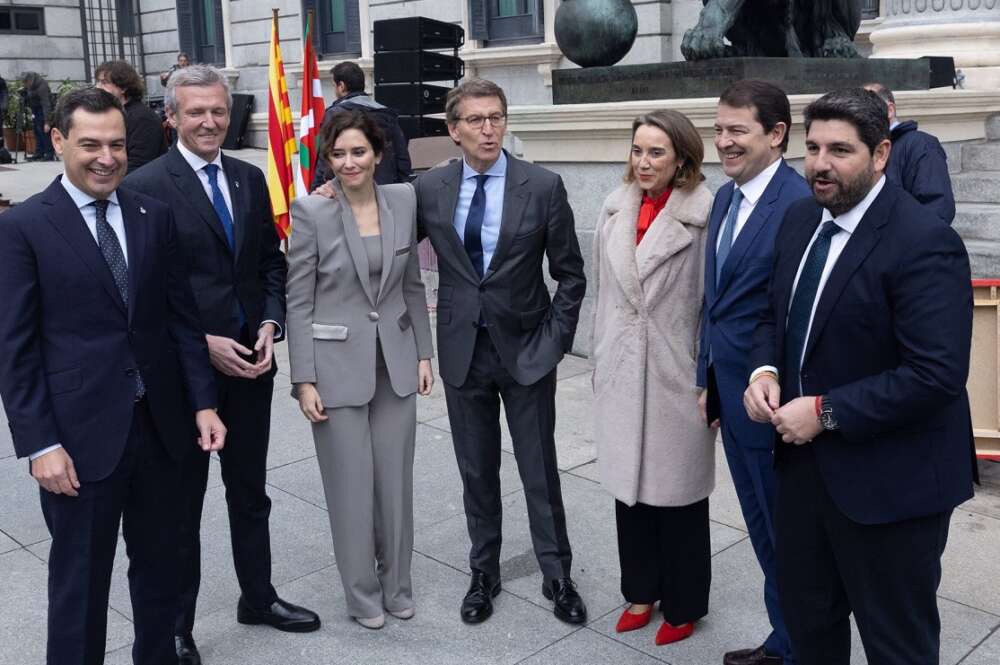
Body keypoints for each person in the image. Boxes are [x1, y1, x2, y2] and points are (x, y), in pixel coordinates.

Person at [744, 87, 978, 665]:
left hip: (892, 489)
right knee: (811, 627)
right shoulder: (801, 219)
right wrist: (764, 369)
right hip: (803, 478)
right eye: (814, 146)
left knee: (897, 645)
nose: (820, 163)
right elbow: (773, 311)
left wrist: (823, 411)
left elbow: (935, 374)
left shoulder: (925, 241)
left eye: (840, 150)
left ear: (880, 155)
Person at [0, 87, 226, 665]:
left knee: (161, 573)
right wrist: (40, 443)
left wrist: (203, 402)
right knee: (80, 585)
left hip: (162, 431)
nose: (107, 157)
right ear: (58, 141)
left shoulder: (154, 216)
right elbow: (15, 348)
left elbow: (181, 319)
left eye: (118, 145)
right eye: (90, 145)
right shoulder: (23, 227)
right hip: (78, 442)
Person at [124, 65, 319, 665]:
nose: (209, 121)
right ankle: (178, 626)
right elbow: (139, 295)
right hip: (184, 377)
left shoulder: (248, 177)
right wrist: (203, 341)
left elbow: (268, 265)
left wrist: (269, 324)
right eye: (196, 112)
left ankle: (257, 597)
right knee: (181, 506)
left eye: (218, 110)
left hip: (251, 368)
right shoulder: (145, 187)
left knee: (249, 492)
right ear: (172, 118)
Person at [416, 78, 587, 625]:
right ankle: (483, 571)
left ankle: (557, 574)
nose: (489, 129)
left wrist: (555, 342)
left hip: (527, 352)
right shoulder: (430, 188)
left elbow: (571, 276)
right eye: (476, 120)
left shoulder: (542, 186)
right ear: (454, 130)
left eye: (496, 118)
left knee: (540, 468)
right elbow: (383, 231)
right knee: (476, 470)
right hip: (463, 349)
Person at [287, 109, 434, 630]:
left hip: (394, 363)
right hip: (334, 368)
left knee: (394, 486)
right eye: (339, 154)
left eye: (359, 152)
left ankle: (398, 585)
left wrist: (423, 352)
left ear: (378, 154)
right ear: (327, 159)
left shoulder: (403, 199)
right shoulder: (311, 212)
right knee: (352, 488)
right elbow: (298, 301)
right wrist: (302, 380)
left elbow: (412, 283)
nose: (349, 163)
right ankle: (362, 594)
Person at [591, 110, 716, 647]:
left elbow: (715, 305)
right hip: (621, 366)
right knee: (631, 492)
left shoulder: (707, 214)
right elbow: (604, 293)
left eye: (656, 152)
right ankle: (640, 591)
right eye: (638, 150)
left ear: (682, 158)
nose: (643, 162)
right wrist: (601, 358)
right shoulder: (615, 206)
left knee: (681, 496)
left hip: (675, 372)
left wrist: (704, 374)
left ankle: (685, 602)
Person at [697, 80, 810, 665]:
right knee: (763, 530)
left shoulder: (798, 202)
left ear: (777, 134)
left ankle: (796, 646)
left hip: (772, 404)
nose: (724, 142)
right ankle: (784, 638)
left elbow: (793, 312)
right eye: (718, 130)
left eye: (737, 130)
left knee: (784, 533)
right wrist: (706, 378)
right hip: (730, 395)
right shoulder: (724, 198)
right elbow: (713, 302)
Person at [864, 82, 955, 224]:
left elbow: (938, 209)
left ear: (890, 110)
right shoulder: (863, 147)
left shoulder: (921, 144)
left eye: (867, 107)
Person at [311, 61, 411, 189]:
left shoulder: (335, 115)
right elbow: (402, 158)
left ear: (341, 86)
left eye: (334, 86)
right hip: (386, 192)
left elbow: (324, 160)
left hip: (347, 193)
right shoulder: (387, 114)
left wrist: (316, 189)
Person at [96, 60, 167, 173]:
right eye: (98, 82)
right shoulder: (115, 114)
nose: (98, 87)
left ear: (123, 88)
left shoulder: (142, 118)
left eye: (104, 82)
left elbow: (139, 165)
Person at [21, 71, 55, 161]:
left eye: (26, 83)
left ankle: (49, 153)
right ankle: (39, 152)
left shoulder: (42, 86)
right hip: (35, 109)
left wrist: (47, 122)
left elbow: (46, 104)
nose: (26, 85)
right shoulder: (29, 85)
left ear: (30, 80)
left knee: (44, 130)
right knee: (36, 131)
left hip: (43, 109)